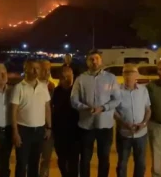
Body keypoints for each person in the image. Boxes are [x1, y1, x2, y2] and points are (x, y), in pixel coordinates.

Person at [71, 49, 120, 177]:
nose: (94, 61)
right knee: (85, 159)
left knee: (104, 158)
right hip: (86, 125)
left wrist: (103, 108)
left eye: (96, 58)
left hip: (105, 125)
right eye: (91, 59)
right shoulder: (81, 79)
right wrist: (85, 108)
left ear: (101, 60)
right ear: (87, 62)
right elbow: (74, 100)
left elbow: (117, 99)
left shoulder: (111, 78)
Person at [11, 59, 52, 177]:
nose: (35, 71)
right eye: (32, 68)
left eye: (37, 68)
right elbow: (13, 111)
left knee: (34, 164)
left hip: (39, 131)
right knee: (22, 164)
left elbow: (47, 108)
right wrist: (15, 133)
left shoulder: (43, 87)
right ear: (25, 69)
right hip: (23, 131)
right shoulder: (19, 88)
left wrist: (49, 127)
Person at [114, 64, 151, 177]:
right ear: (122, 75)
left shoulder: (143, 90)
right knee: (122, 164)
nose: (129, 75)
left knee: (141, 164)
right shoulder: (117, 91)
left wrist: (144, 124)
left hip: (141, 134)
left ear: (136, 75)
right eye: (126, 72)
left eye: (132, 72)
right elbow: (113, 111)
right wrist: (124, 124)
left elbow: (148, 109)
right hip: (124, 134)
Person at [52, 66, 80, 177]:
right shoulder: (56, 91)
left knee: (74, 160)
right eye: (64, 77)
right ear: (60, 78)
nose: (67, 79)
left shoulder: (77, 91)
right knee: (62, 159)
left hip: (75, 131)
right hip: (59, 132)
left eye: (70, 76)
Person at [39, 60, 55, 177]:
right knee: (32, 160)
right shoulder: (31, 86)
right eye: (44, 69)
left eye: (48, 70)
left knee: (46, 159)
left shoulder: (52, 87)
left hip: (48, 129)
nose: (47, 72)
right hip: (34, 128)